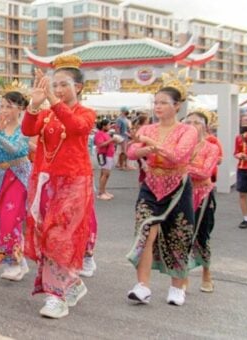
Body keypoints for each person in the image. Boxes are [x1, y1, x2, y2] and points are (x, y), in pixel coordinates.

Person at [21, 55, 95, 318]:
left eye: (64, 85)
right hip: (45, 180)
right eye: (56, 85)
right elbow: (28, 130)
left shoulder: (86, 113)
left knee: (58, 238)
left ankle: (57, 297)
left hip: (74, 183)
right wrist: (34, 105)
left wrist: (52, 99)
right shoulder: (47, 114)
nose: (59, 90)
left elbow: (75, 128)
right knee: (45, 236)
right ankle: (72, 283)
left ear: (79, 87)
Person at [126, 83, 199, 307]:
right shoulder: (148, 129)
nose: (158, 106)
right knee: (145, 232)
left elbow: (178, 156)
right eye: (155, 102)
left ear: (177, 106)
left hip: (177, 186)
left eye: (163, 103)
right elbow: (131, 151)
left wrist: (151, 144)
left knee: (178, 234)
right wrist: (143, 150)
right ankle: (142, 286)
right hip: (151, 185)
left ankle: (177, 287)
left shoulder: (188, 131)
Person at [0, 89, 32, 280]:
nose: (4, 110)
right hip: (0, 176)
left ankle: (13, 263)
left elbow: (15, 149)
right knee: (7, 220)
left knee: (11, 219)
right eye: (1, 106)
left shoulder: (25, 128)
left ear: (21, 109)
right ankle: (21, 261)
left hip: (18, 176)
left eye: (9, 106)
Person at [184, 111, 221, 293]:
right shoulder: (179, 146)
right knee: (181, 235)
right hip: (182, 194)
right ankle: (181, 275)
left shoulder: (211, 148)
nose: (192, 125)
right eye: (188, 121)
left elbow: (205, 172)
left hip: (203, 194)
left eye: (196, 122)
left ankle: (207, 272)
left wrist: (180, 167)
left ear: (204, 127)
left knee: (202, 235)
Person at [95, 119, 116, 200]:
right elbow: (100, 144)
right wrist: (111, 140)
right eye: (108, 125)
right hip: (104, 155)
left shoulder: (104, 133)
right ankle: (101, 192)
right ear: (104, 126)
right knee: (105, 174)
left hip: (108, 155)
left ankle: (103, 190)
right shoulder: (99, 134)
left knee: (105, 174)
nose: (110, 126)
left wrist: (112, 141)